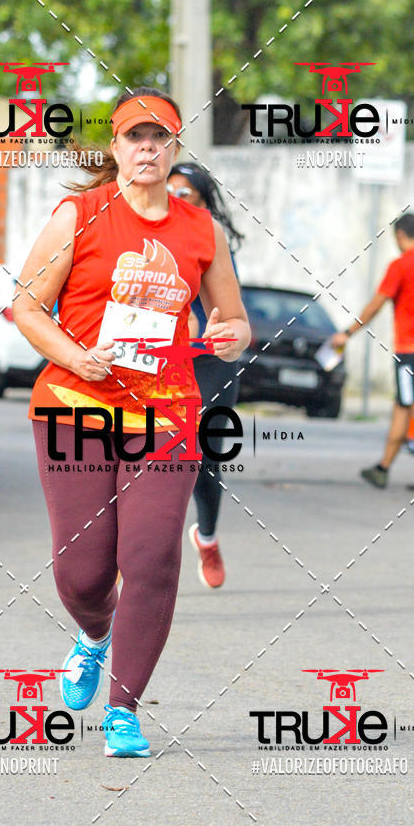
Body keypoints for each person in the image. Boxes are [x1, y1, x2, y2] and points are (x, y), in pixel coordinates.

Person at [13, 88, 250, 757]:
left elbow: (232, 320)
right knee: (83, 576)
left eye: (160, 138)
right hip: (75, 407)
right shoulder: (79, 216)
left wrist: (232, 335)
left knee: (149, 560)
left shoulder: (199, 229)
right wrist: (77, 358)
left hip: (167, 412)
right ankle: (94, 635)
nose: (147, 148)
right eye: (135, 137)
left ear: (174, 148)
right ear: (115, 147)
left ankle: (124, 708)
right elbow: (27, 309)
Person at [167, 162, 244, 589]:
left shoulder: (212, 235)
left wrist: (224, 331)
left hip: (211, 358)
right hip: (165, 354)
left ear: (203, 199)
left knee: (205, 456)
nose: (178, 198)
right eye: (172, 190)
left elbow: (234, 312)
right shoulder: (147, 229)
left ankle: (207, 536)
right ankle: (139, 549)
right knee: (159, 447)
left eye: (187, 193)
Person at [332, 213, 414, 491]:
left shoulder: (400, 265)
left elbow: (376, 305)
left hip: (411, 352)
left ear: (400, 236)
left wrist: (348, 333)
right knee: (402, 408)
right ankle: (383, 468)